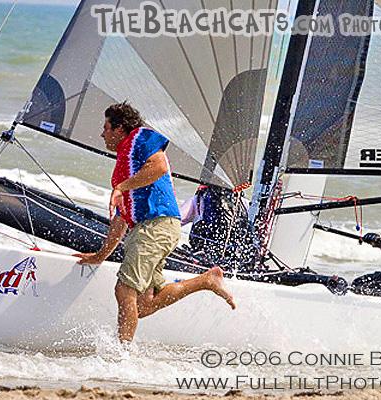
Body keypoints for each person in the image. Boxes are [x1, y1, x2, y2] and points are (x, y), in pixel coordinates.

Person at [74, 102, 236, 343]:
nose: (102, 133)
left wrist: (122, 187)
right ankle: (206, 280)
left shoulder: (140, 137)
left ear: (120, 129)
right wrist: (101, 255)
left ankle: (122, 358)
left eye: (106, 127)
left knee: (124, 290)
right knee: (143, 305)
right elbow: (121, 219)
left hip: (156, 225)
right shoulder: (122, 168)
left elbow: (158, 166)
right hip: (149, 229)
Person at [180, 185, 256, 270]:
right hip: (232, 262)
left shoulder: (198, 199)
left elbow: (176, 221)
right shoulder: (244, 203)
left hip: (201, 258)